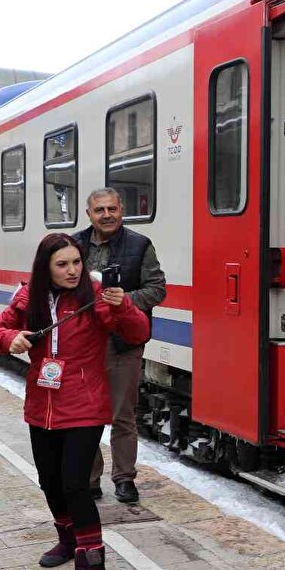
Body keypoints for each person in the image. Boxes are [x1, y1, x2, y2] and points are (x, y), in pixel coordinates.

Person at [0, 233, 149, 570]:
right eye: (62, 264)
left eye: (77, 262)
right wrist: (9, 338)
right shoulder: (28, 297)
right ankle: (68, 538)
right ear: (46, 268)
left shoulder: (97, 296)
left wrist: (123, 306)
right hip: (41, 404)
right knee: (49, 481)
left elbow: (138, 332)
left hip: (84, 404)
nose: (73, 270)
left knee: (76, 485)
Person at [74, 188, 166, 504]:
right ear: (89, 214)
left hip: (123, 342)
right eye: (100, 210)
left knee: (123, 415)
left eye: (112, 209)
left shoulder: (140, 245)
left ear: (121, 211)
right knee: (86, 414)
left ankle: (124, 479)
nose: (107, 215)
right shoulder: (74, 244)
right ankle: (90, 480)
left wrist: (125, 300)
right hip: (84, 342)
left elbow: (157, 289)